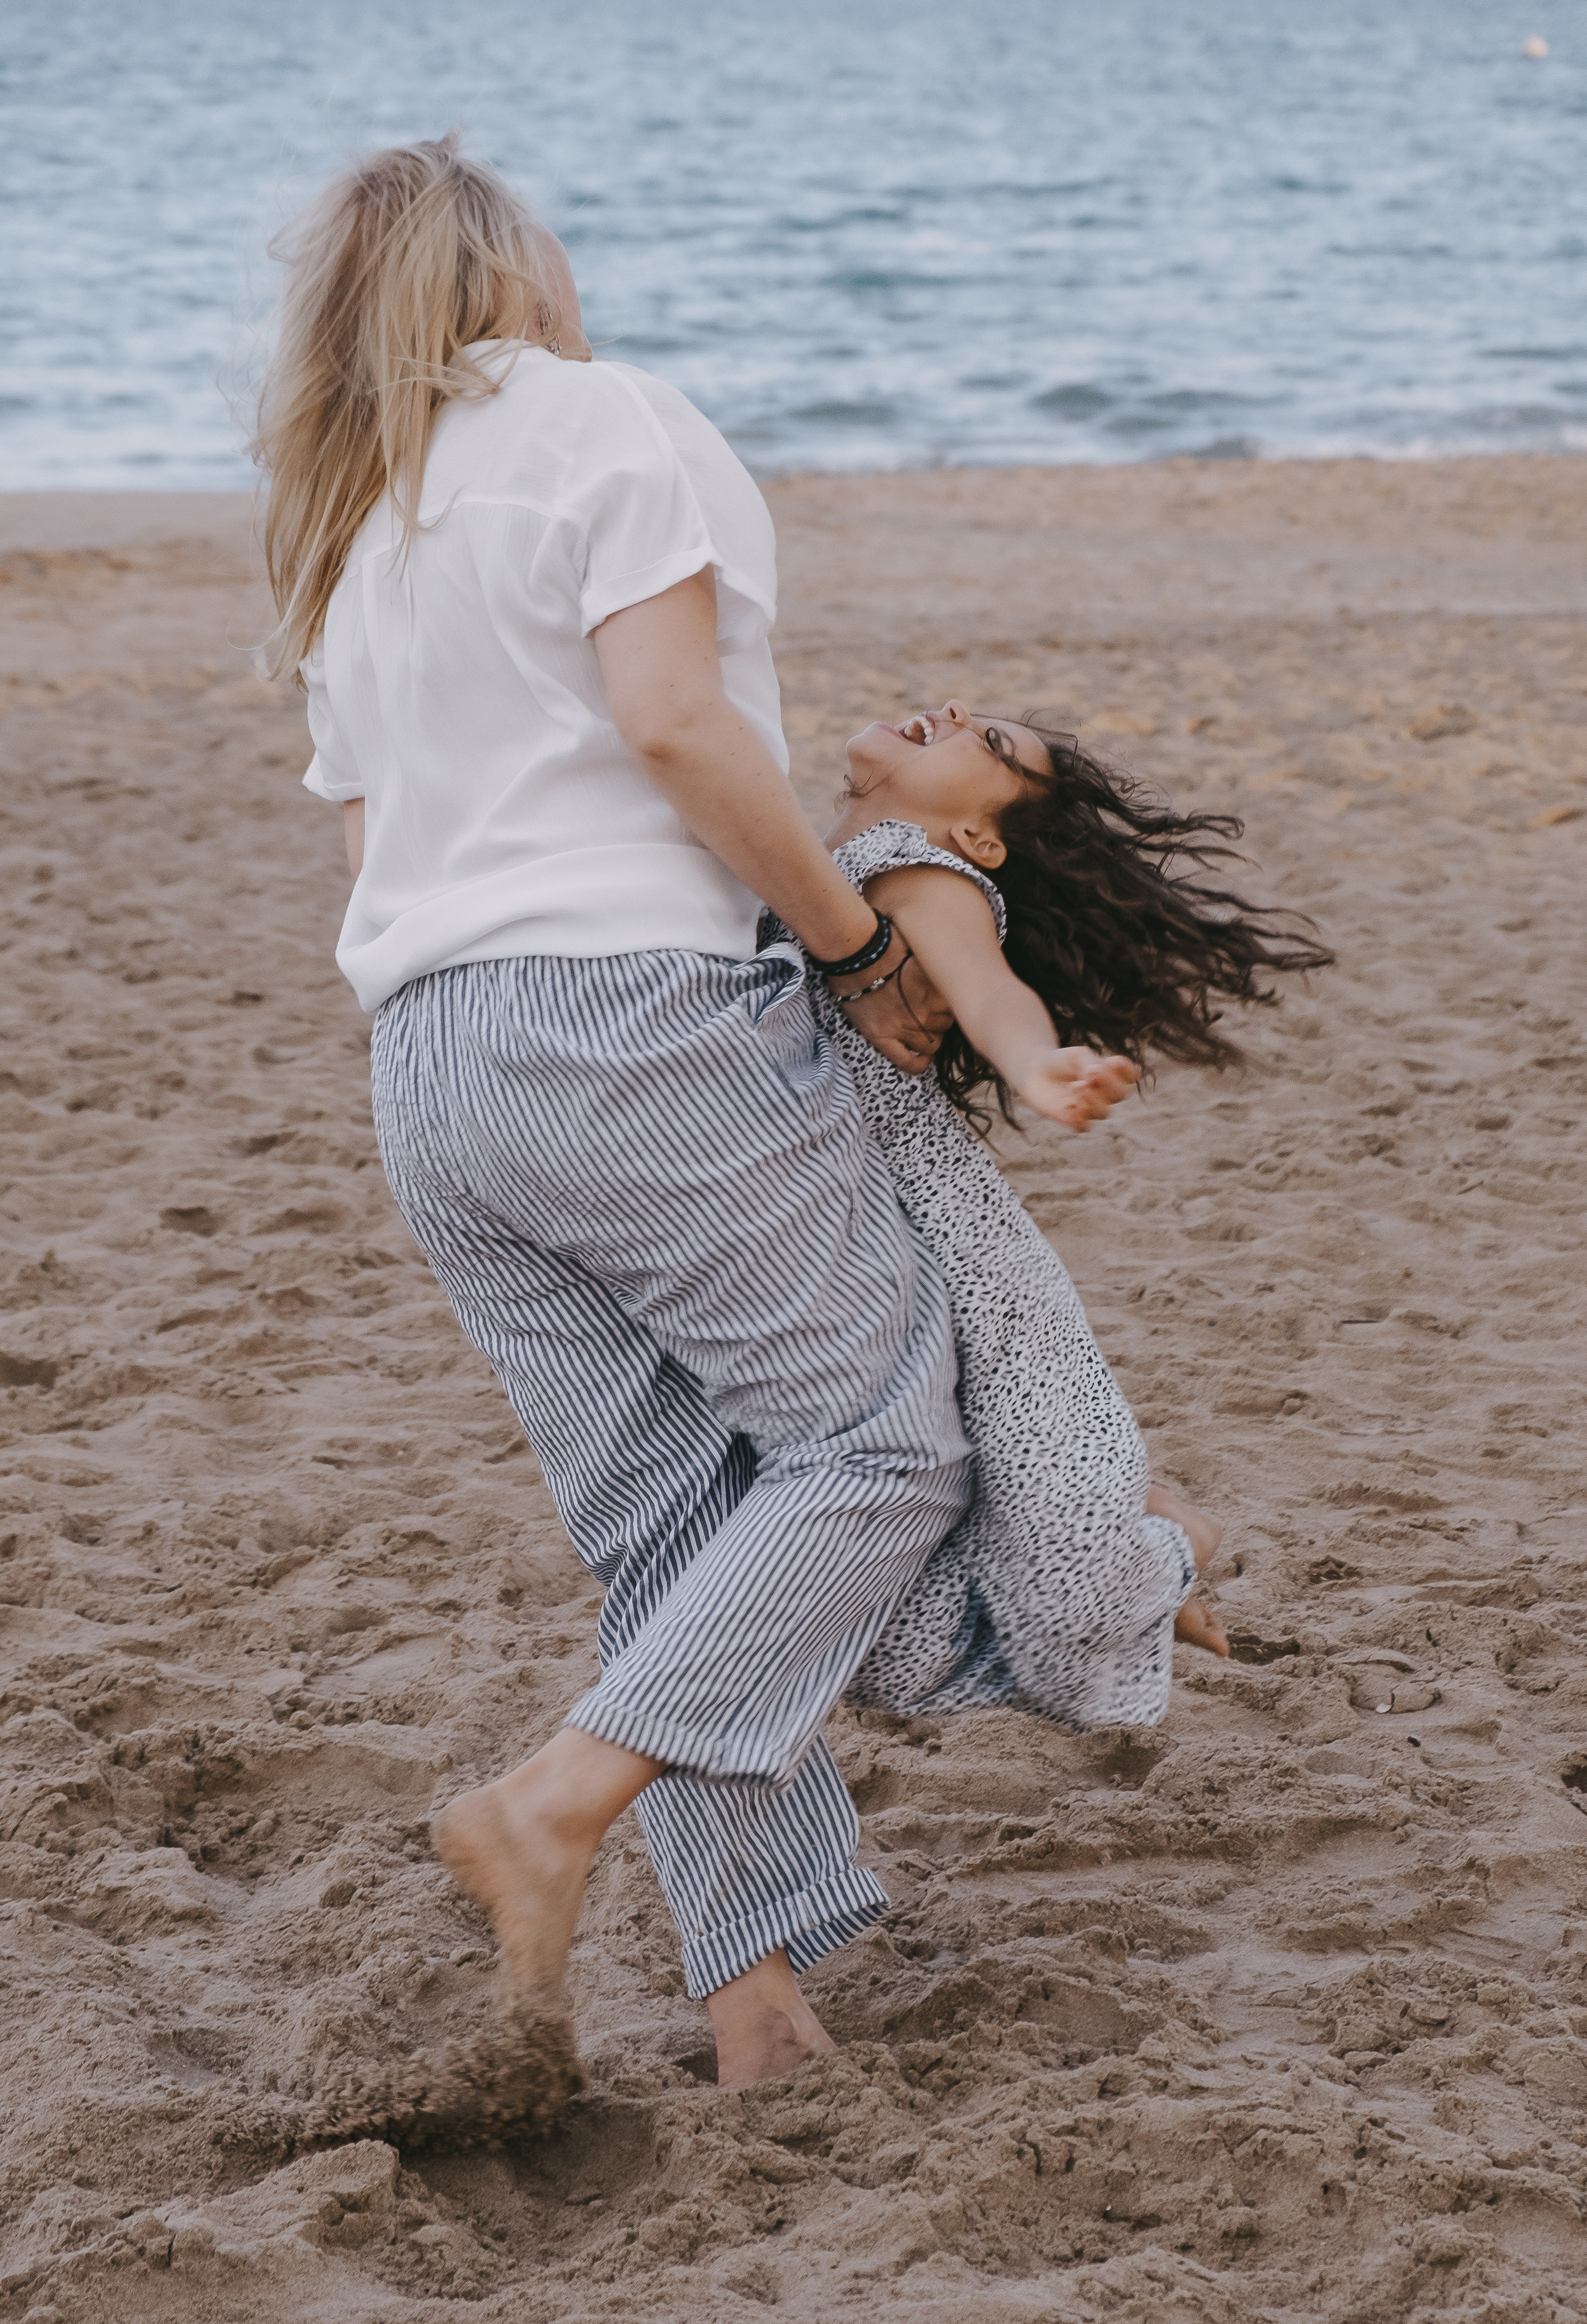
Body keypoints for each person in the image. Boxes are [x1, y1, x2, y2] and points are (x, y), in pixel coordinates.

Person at [253, 135, 1132, 2113]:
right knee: (880, 1446)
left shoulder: (349, 518)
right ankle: (556, 1801)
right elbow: (672, 721)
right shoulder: (611, 423)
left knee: (675, 1518)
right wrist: (841, 949)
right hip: (631, 1022)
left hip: (432, 1067)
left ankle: (758, 2006)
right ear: (514, 272)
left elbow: (374, 844)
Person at [762, 702, 1331, 1729]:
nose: (951, 712)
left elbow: (985, 986)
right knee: (883, 1640)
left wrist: (1035, 1064)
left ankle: (1170, 1541)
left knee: (1063, 1592)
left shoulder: (917, 868)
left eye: (986, 743)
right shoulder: (785, 852)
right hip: (822, 1246)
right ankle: (1140, 1560)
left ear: (979, 839)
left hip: (944, 1243)